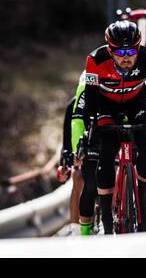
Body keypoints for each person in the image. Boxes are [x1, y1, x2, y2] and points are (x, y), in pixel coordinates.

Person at [83, 20, 146, 234]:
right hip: (106, 104)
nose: (126, 57)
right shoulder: (95, 60)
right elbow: (91, 97)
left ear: (139, 48)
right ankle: (105, 219)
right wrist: (90, 127)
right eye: (119, 52)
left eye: (131, 51)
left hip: (136, 102)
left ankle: (142, 201)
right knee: (106, 151)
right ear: (109, 51)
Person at [56, 71, 99, 236]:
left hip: (103, 146)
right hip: (83, 149)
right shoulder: (73, 104)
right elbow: (67, 137)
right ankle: (75, 229)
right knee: (79, 178)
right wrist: (66, 159)